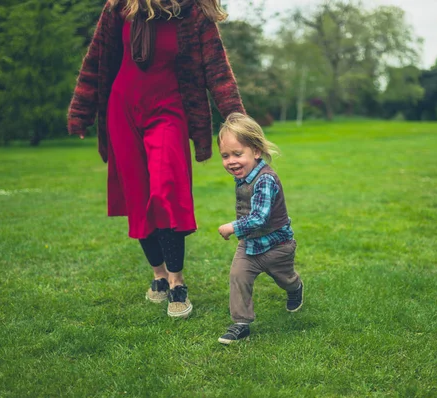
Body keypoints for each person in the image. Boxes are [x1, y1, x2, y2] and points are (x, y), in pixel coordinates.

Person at [67, 0, 245, 318]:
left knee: (166, 191)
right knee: (137, 196)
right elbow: (97, 60)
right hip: (122, 111)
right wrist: (81, 111)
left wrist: (237, 119)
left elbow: (217, 72)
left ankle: (177, 282)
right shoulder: (119, 8)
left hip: (168, 109)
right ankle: (158, 276)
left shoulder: (192, 14)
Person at [216, 113, 303, 344]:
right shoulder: (244, 177)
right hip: (250, 244)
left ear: (255, 151)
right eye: (225, 156)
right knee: (238, 276)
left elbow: (260, 218)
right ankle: (240, 324)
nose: (231, 161)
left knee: (285, 279)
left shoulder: (265, 180)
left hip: (277, 246)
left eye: (237, 154)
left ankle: (295, 287)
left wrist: (233, 226)